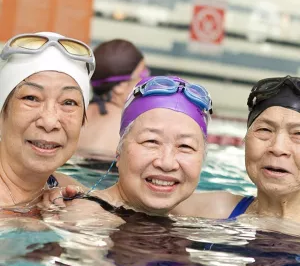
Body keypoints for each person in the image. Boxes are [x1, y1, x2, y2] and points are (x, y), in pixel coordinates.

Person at [46, 75, 213, 218]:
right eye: (151, 141)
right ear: (118, 151)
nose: (167, 163)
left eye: (185, 146)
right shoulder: (86, 216)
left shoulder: (208, 215)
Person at [172, 75, 300, 223]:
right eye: (264, 130)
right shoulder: (207, 212)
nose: (277, 148)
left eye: (298, 133)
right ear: (245, 139)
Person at [0, 31, 95, 216]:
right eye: (31, 98)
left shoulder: (71, 192)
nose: (50, 122)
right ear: (3, 111)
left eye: (68, 102)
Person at [76, 39, 150, 160]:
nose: (147, 81)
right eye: (143, 74)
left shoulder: (74, 116)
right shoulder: (130, 127)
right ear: (120, 86)